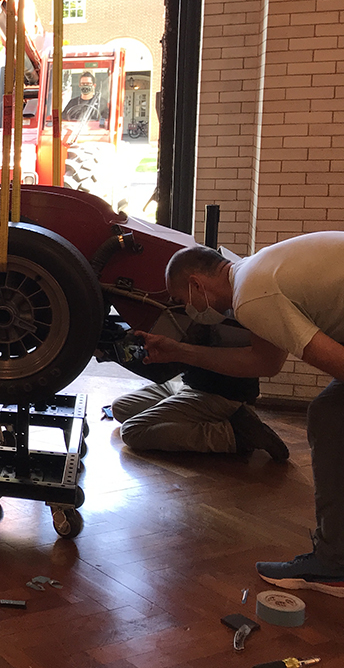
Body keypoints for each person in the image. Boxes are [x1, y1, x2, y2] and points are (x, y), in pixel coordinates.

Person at [143, 236, 344, 596]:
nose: (186, 309)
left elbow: (336, 361)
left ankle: (334, 565)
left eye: (180, 301)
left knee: (330, 418)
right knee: (330, 414)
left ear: (196, 285)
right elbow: (263, 363)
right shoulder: (254, 274)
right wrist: (180, 352)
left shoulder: (252, 296)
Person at [111, 323, 288, 460]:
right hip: (188, 385)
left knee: (132, 431)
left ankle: (234, 434)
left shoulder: (232, 319)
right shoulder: (198, 310)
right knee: (121, 408)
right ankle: (213, 419)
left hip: (222, 395)